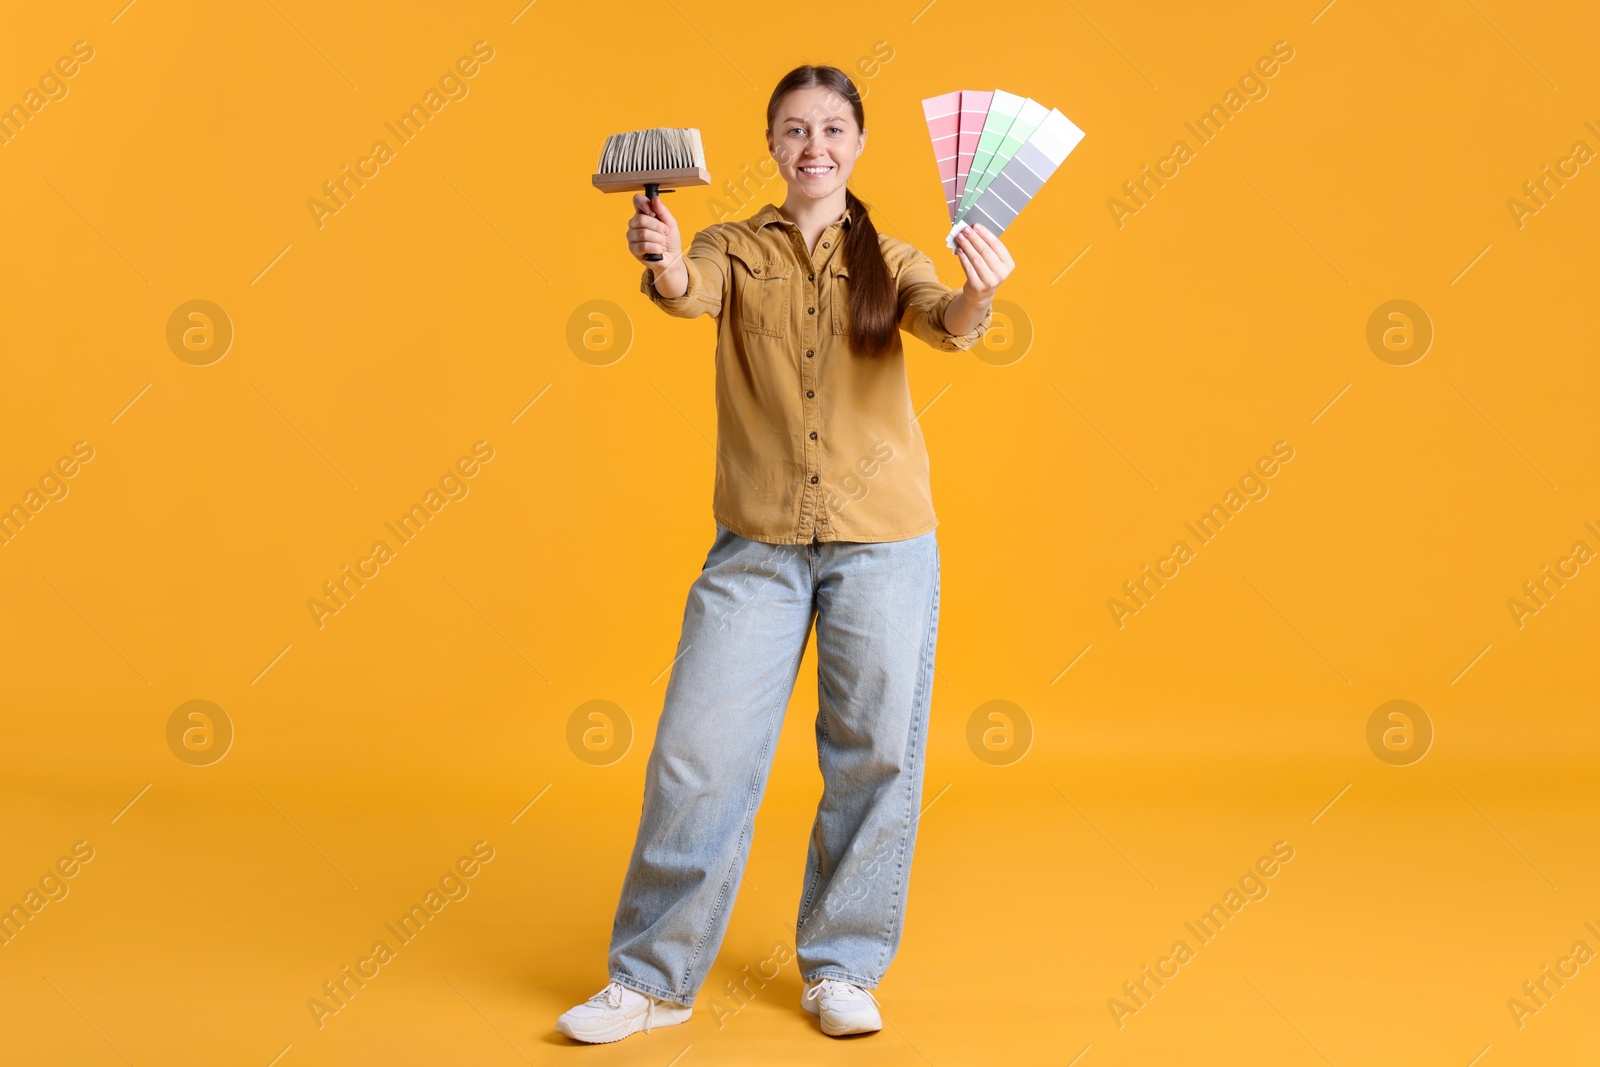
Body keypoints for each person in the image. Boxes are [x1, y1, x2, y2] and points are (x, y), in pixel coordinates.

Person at [557, 63, 1013, 1044]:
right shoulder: (729, 244)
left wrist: (978, 292)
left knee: (873, 756)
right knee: (696, 754)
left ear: (857, 145)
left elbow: (948, 324)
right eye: (795, 130)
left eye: (833, 130)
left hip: (884, 544)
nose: (814, 147)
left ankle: (843, 964)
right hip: (757, 544)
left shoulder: (891, 256)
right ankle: (650, 979)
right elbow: (684, 293)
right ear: (771, 144)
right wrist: (665, 255)